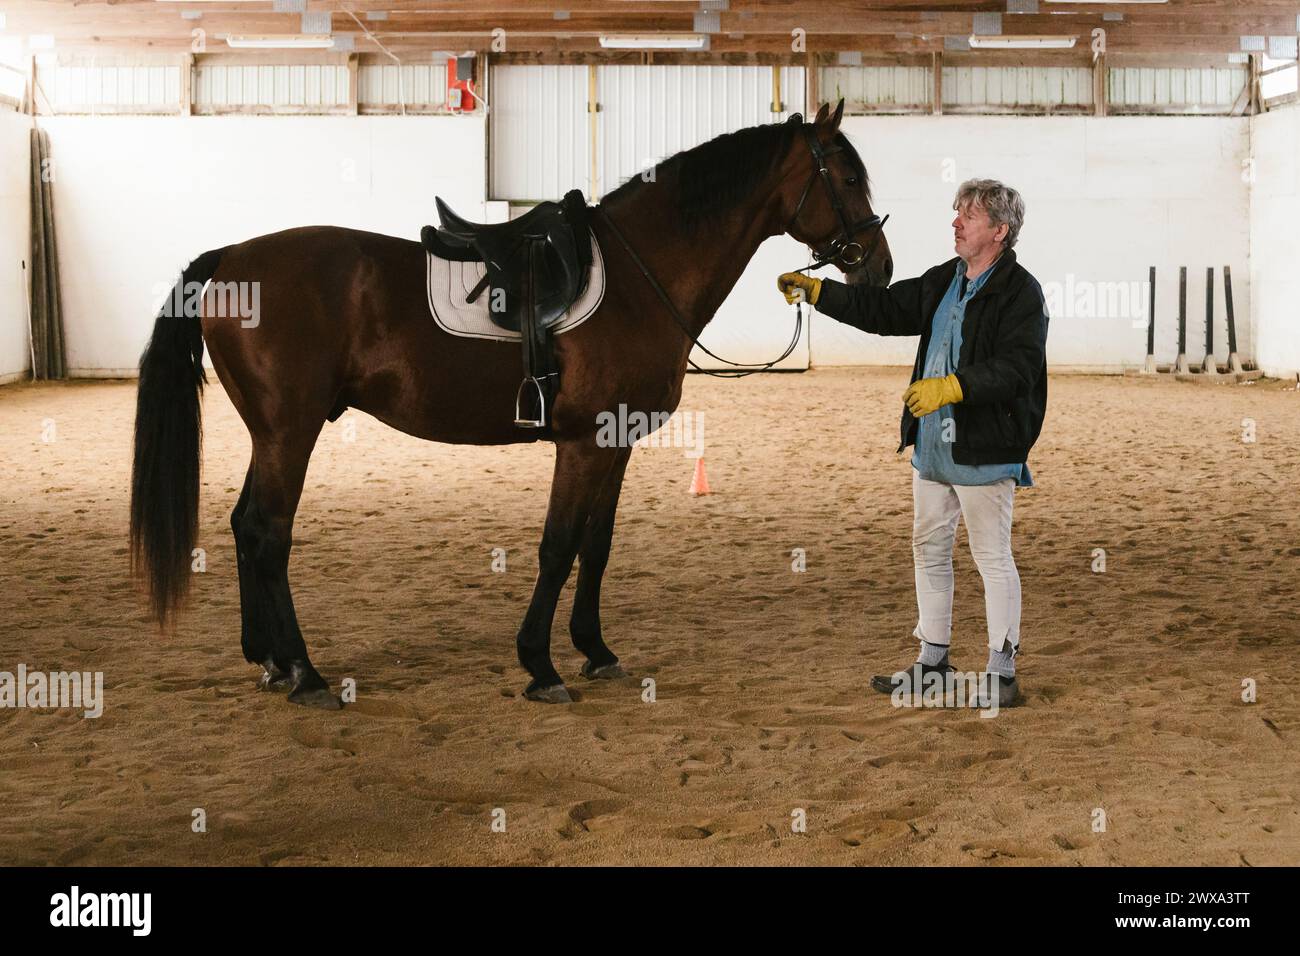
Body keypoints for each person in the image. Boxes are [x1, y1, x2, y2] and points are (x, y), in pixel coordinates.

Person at [777, 179, 1049, 707]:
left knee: (991, 556)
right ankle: (933, 660)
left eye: (967, 216)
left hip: (985, 447)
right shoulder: (946, 280)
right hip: (932, 447)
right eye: (956, 213)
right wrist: (819, 293)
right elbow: (887, 311)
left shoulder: (1021, 292)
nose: (956, 223)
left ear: (1000, 230)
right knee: (929, 551)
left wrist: (955, 386)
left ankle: (1002, 672)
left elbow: (1018, 369)